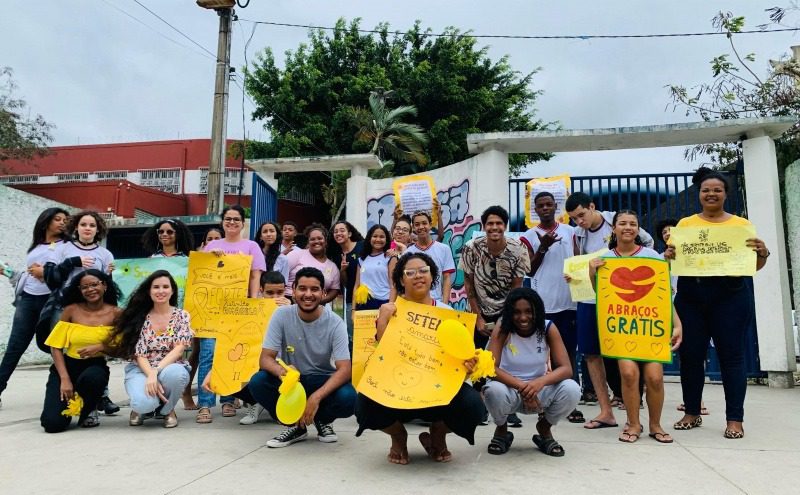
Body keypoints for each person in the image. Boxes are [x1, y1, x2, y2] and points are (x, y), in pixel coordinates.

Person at [665, 167, 769, 439]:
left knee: (732, 358)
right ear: (699, 194)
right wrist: (670, 254)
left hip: (730, 296)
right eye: (706, 190)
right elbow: (673, 264)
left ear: (725, 194)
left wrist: (763, 254)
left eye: (717, 190)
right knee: (690, 357)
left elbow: (753, 267)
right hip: (692, 297)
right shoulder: (685, 226)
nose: (711, 194)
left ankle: (735, 419)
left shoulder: (741, 226)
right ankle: (691, 412)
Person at [355, 253, 485, 464]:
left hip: (438, 391)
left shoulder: (448, 313)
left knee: (474, 407)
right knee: (364, 403)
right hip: (396, 389)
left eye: (423, 270)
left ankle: (438, 434)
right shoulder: (389, 311)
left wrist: (468, 366)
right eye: (410, 272)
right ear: (400, 280)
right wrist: (383, 321)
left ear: (432, 275)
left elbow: (459, 363)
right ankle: (398, 436)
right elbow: (378, 359)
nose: (418, 276)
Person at [588, 210, 683, 443]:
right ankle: (633, 423)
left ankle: (655, 424)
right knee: (629, 374)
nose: (627, 227)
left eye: (633, 224)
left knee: (655, 378)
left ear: (638, 229)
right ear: (614, 228)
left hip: (650, 328)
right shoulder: (604, 260)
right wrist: (592, 272)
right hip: (623, 329)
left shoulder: (653, 257)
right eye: (622, 223)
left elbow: (663, 297)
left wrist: (677, 324)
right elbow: (602, 295)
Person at [565, 193, 653, 430]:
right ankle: (606, 411)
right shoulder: (578, 234)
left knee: (624, 352)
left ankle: (633, 408)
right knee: (591, 354)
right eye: (574, 219)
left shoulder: (617, 220)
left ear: (592, 207)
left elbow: (648, 244)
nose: (579, 222)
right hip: (588, 297)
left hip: (621, 299)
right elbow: (579, 260)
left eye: (582, 215)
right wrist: (574, 275)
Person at [247, 267, 356, 447]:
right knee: (258, 382)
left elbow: (345, 369)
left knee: (349, 398)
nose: (308, 294)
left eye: (314, 289)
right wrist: (283, 372)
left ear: (323, 293)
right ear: (294, 290)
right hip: (291, 381)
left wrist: (316, 397)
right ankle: (294, 425)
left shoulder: (335, 322)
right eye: (302, 288)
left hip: (320, 379)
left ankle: (321, 420)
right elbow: (265, 358)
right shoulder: (281, 315)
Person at [483, 288, 581, 455]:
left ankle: (544, 428)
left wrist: (538, 383)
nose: (523, 317)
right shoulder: (503, 327)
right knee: (493, 390)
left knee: (572, 389)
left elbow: (566, 369)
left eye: (529, 311)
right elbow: (490, 368)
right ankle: (501, 429)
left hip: (539, 391)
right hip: (510, 389)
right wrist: (523, 387)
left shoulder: (548, 327)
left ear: (538, 311)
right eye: (517, 312)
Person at [41, 210, 119, 416]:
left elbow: (106, 285)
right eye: (83, 224)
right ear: (76, 227)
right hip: (67, 306)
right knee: (62, 349)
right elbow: (50, 278)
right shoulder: (62, 249)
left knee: (98, 354)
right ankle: (64, 385)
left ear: (98, 229)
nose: (87, 228)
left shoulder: (105, 254)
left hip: (94, 308)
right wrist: (72, 262)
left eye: (92, 225)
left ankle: (101, 396)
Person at [196, 205, 265, 423]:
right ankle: (205, 404)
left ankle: (228, 400)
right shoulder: (212, 245)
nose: (232, 222)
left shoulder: (251, 246)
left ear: (243, 223)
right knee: (208, 354)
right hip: (212, 310)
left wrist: (252, 303)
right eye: (228, 219)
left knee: (231, 355)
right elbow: (202, 273)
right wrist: (212, 258)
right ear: (222, 222)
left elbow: (255, 277)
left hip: (239, 310)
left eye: (236, 219)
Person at [521, 192, 585, 424]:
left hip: (570, 303)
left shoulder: (571, 232)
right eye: (541, 205)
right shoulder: (529, 236)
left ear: (556, 207)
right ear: (535, 209)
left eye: (549, 204)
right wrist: (543, 247)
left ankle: (572, 403)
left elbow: (579, 261)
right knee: (542, 356)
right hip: (543, 304)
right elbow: (529, 270)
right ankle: (540, 401)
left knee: (569, 353)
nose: (545, 208)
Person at [0, 207, 69, 409]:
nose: (62, 222)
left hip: (53, 300)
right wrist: (7, 272)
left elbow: (68, 273)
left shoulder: (66, 246)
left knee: (58, 347)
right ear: (46, 221)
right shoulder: (36, 246)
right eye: (57, 219)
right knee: (15, 347)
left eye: (65, 219)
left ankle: (77, 390)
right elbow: (28, 275)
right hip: (28, 300)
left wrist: (45, 272)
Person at [40, 269, 121, 432]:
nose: (90, 289)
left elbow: (122, 350)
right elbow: (55, 346)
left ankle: (89, 407)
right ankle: (70, 407)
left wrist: (102, 347)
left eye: (94, 285)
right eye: (85, 287)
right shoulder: (71, 310)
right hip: (66, 367)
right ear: (79, 290)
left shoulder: (116, 313)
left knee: (93, 378)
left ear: (104, 286)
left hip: (95, 367)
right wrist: (64, 379)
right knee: (52, 424)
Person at [111, 270, 193, 428]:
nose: (161, 291)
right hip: (141, 368)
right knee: (144, 404)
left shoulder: (182, 315)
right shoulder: (139, 316)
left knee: (177, 374)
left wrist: (156, 371)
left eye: (165, 287)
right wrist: (150, 374)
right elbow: (139, 353)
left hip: (169, 366)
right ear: (149, 291)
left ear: (172, 290)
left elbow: (178, 350)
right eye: (156, 287)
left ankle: (167, 411)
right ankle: (141, 408)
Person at [460, 205, 529, 350]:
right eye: (490, 224)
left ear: (505, 226)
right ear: (484, 227)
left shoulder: (518, 249)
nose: (494, 227)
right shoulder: (471, 248)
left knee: (505, 356)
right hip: (477, 310)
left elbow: (516, 288)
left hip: (506, 310)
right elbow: (469, 284)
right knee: (475, 358)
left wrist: (507, 319)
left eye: (499, 223)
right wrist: (478, 317)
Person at [404, 211, 455, 303]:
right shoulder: (408, 253)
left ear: (430, 225)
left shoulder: (444, 249)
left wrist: (445, 304)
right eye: (417, 224)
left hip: (437, 302)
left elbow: (447, 278)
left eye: (424, 223)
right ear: (413, 228)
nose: (421, 227)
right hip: (415, 303)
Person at [286, 224, 341, 304]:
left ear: (325, 241)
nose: (316, 241)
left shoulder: (332, 266)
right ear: (308, 242)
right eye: (312, 239)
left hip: (317, 305)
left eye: (320, 238)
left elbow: (335, 289)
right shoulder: (296, 255)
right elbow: (280, 274)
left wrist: (319, 301)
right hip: (290, 301)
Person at [353, 224, 396, 310]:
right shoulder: (362, 259)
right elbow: (356, 285)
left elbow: (394, 285)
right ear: (369, 238)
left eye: (382, 237)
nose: (378, 239)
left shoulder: (390, 257)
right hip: (363, 303)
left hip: (383, 303)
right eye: (375, 236)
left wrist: (390, 306)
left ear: (387, 240)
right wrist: (353, 309)